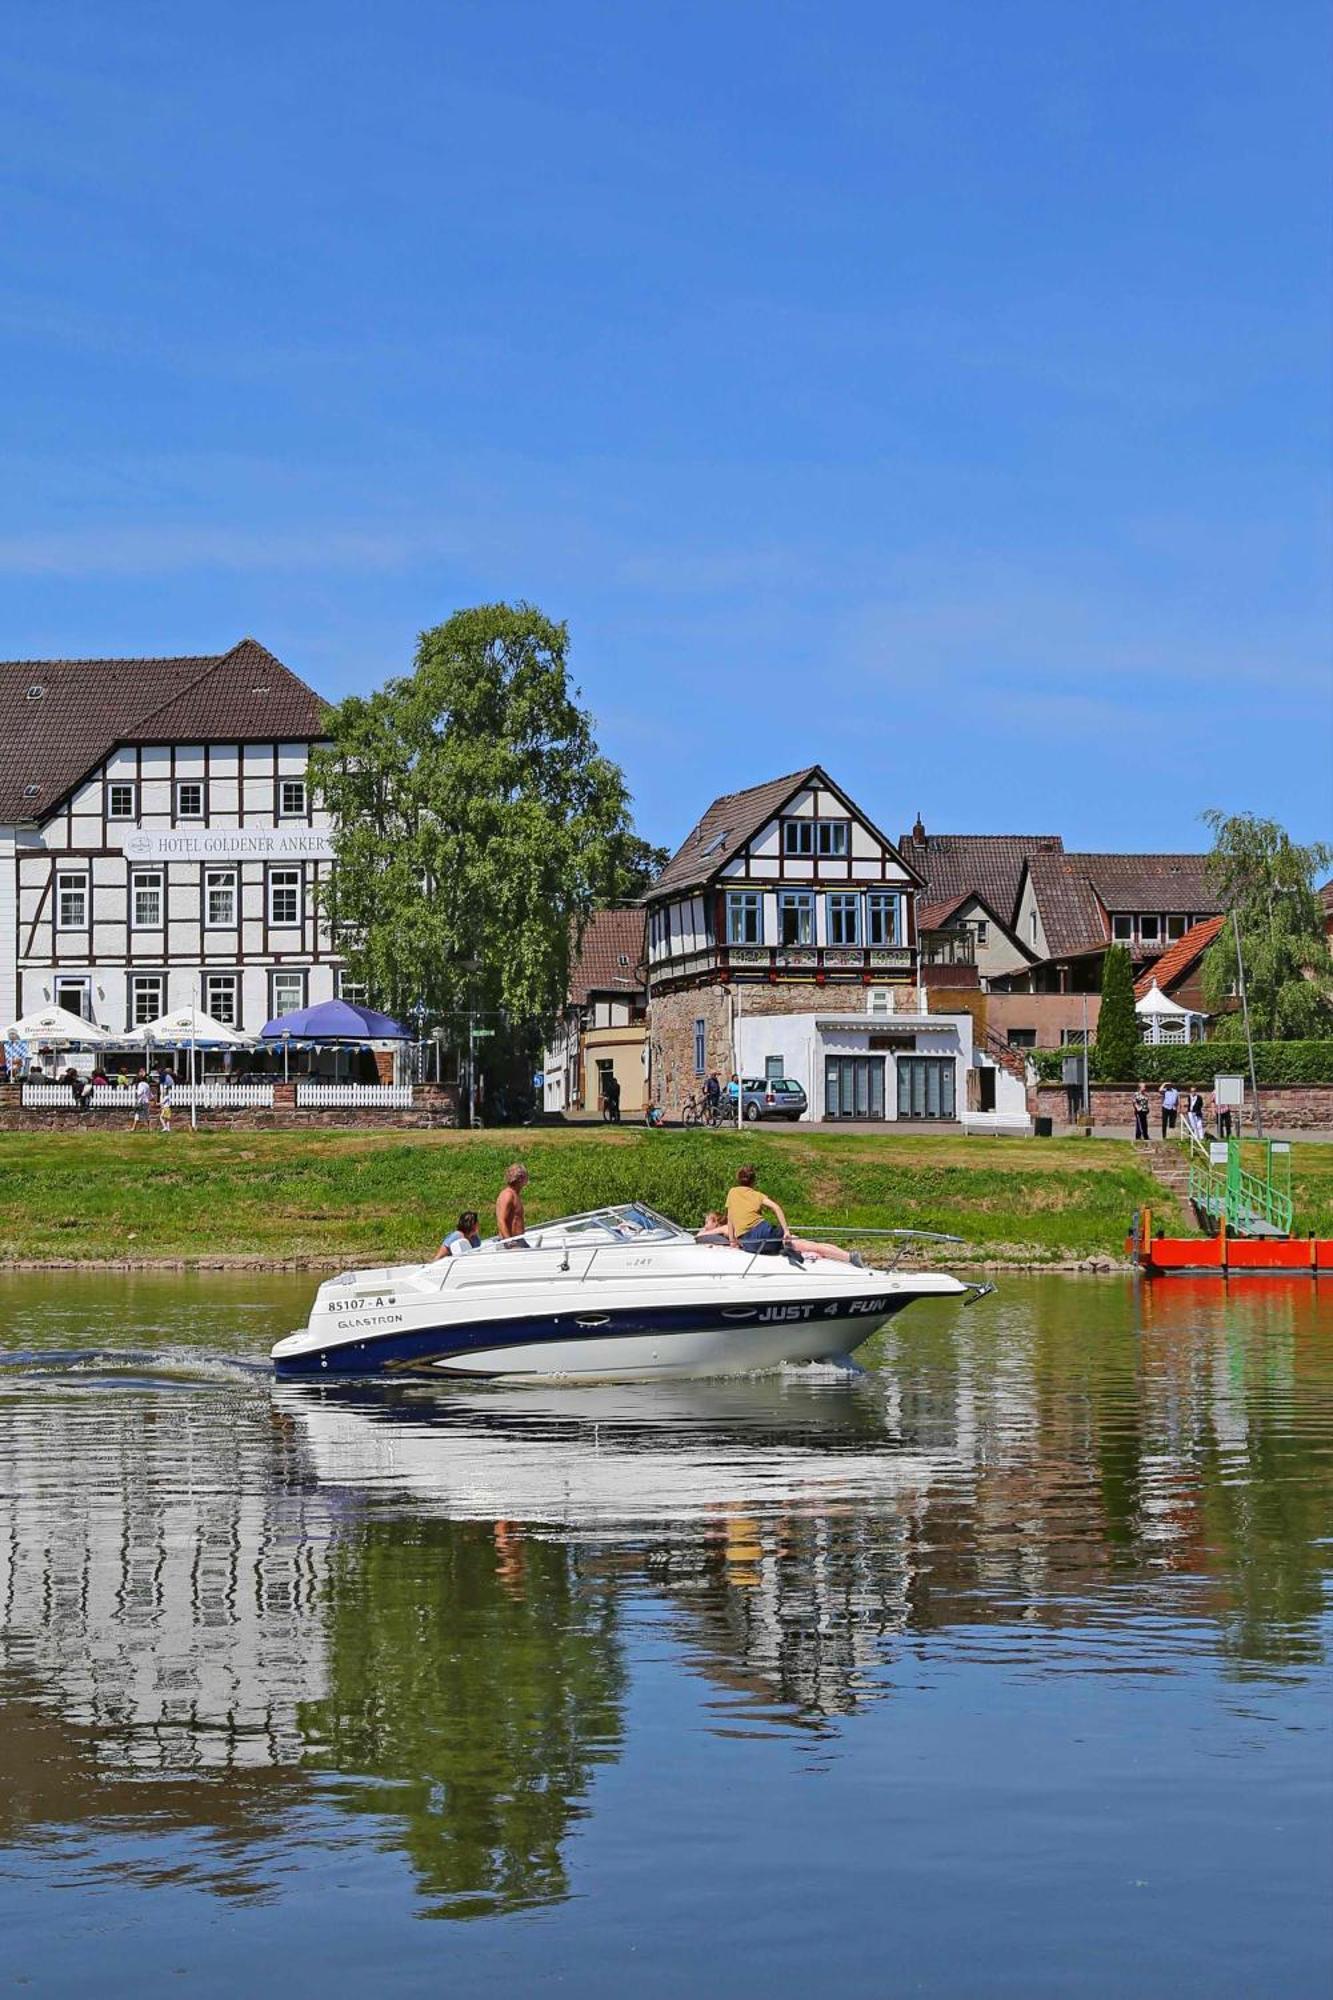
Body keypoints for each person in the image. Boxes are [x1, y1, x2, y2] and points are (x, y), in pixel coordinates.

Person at [697, 1210, 864, 1266]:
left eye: (706, 1222)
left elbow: (702, 1236)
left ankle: (850, 1257)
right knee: (813, 1245)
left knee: (814, 1247)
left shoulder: (726, 1228)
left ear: (715, 1222)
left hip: (777, 1242)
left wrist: (700, 1234)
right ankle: (848, 1255)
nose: (704, 1225)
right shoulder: (728, 1230)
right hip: (773, 1243)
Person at [724, 1164, 792, 1255]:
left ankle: (779, 1246)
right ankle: (785, 1246)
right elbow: (776, 1208)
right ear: (753, 1181)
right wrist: (786, 1231)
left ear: (738, 1179)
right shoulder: (758, 1195)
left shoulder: (732, 1192)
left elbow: (730, 1218)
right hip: (762, 1232)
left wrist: (732, 1241)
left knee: (774, 1240)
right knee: (780, 1231)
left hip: (747, 1243)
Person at [496, 1164, 529, 1241]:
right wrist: (509, 1242)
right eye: (526, 1176)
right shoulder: (508, 1195)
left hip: (518, 1240)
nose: (527, 1179)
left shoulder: (515, 1194)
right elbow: (501, 1220)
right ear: (520, 1178)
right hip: (512, 1243)